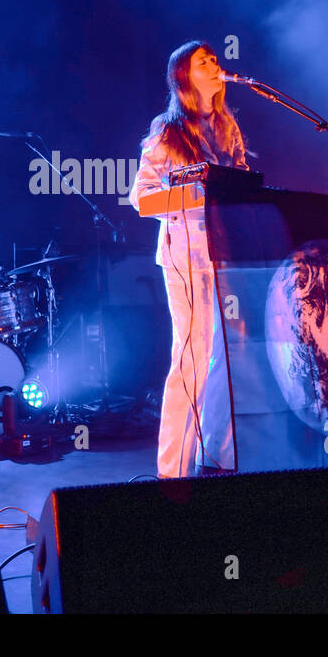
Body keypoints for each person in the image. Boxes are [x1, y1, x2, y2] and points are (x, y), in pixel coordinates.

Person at [128, 41, 248, 479]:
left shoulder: (226, 127)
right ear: (183, 76)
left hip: (227, 254)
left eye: (216, 59)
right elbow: (141, 198)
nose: (216, 65)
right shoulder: (168, 130)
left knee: (231, 355)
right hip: (186, 255)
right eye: (204, 62)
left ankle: (218, 458)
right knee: (192, 357)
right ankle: (172, 473)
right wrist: (198, 192)